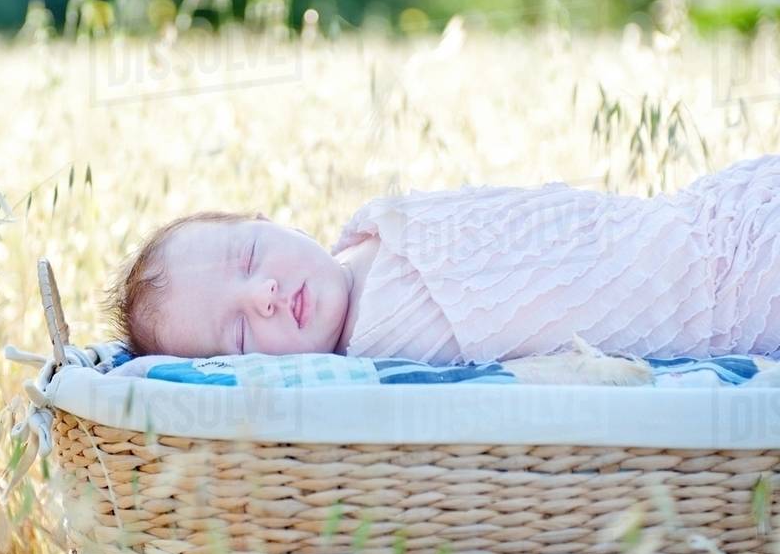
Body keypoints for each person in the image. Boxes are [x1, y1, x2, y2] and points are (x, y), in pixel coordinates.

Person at [106, 155, 780, 365]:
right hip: (723, 304)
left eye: (251, 256)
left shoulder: (371, 227)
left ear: (267, 220)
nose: (266, 294)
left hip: (703, 222)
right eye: (243, 333)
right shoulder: (374, 365)